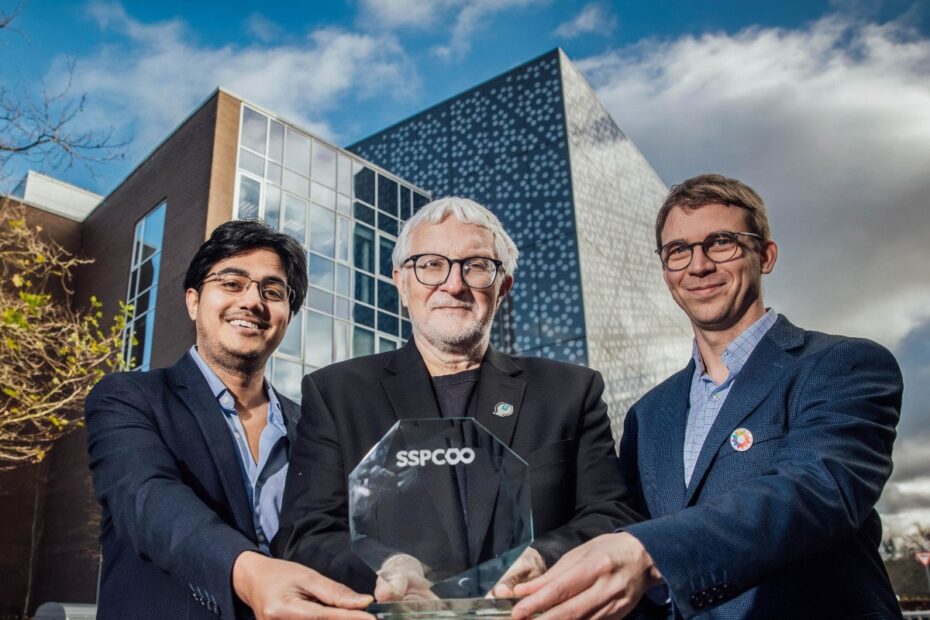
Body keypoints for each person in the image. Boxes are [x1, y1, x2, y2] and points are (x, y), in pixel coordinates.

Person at [512, 174, 904, 619]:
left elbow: (815, 491)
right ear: (666, 272)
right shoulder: (648, 414)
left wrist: (649, 550)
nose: (698, 266)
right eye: (678, 251)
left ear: (766, 255)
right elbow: (622, 529)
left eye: (722, 243)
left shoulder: (843, 365)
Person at [274, 197, 640, 600]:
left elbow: (611, 515)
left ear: (503, 287)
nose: (453, 284)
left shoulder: (571, 391)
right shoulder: (337, 394)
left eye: (476, 266)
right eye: (431, 264)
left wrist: (544, 558)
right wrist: (385, 568)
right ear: (401, 280)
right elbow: (305, 534)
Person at [85, 220, 373, 620]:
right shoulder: (130, 398)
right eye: (232, 283)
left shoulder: (312, 425)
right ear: (193, 301)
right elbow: (147, 498)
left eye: (272, 291)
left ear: (287, 316)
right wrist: (251, 573)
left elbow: (337, 534)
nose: (252, 302)